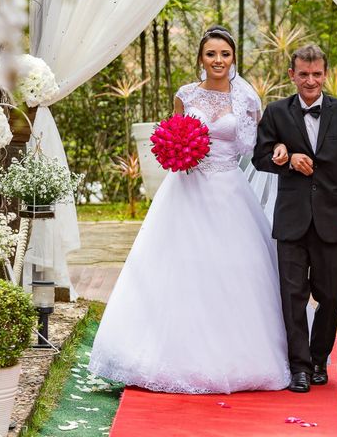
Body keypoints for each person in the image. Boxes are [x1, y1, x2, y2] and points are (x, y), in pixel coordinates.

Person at [88, 25, 291, 394]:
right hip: (186, 189)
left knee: (237, 268)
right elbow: (173, 133)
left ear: (233, 59)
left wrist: (279, 148)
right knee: (175, 266)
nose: (218, 61)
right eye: (211, 54)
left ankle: (242, 355)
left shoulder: (247, 98)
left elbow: (258, 144)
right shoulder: (185, 94)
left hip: (229, 191)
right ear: (201, 58)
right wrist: (176, 153)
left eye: (225, 54)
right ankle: (163, 354)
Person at [252, 44, 337, 393]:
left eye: (316, 74)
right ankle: (299, 366)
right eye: (303, 74)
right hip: (292, 219)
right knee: (293, 295)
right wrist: (282, 158)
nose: (310, 80)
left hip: (334, 220)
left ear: (325, 74)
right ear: (292, 75)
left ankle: (319, 359)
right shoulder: (275, 112)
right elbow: (260, 157)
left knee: (330, 294)